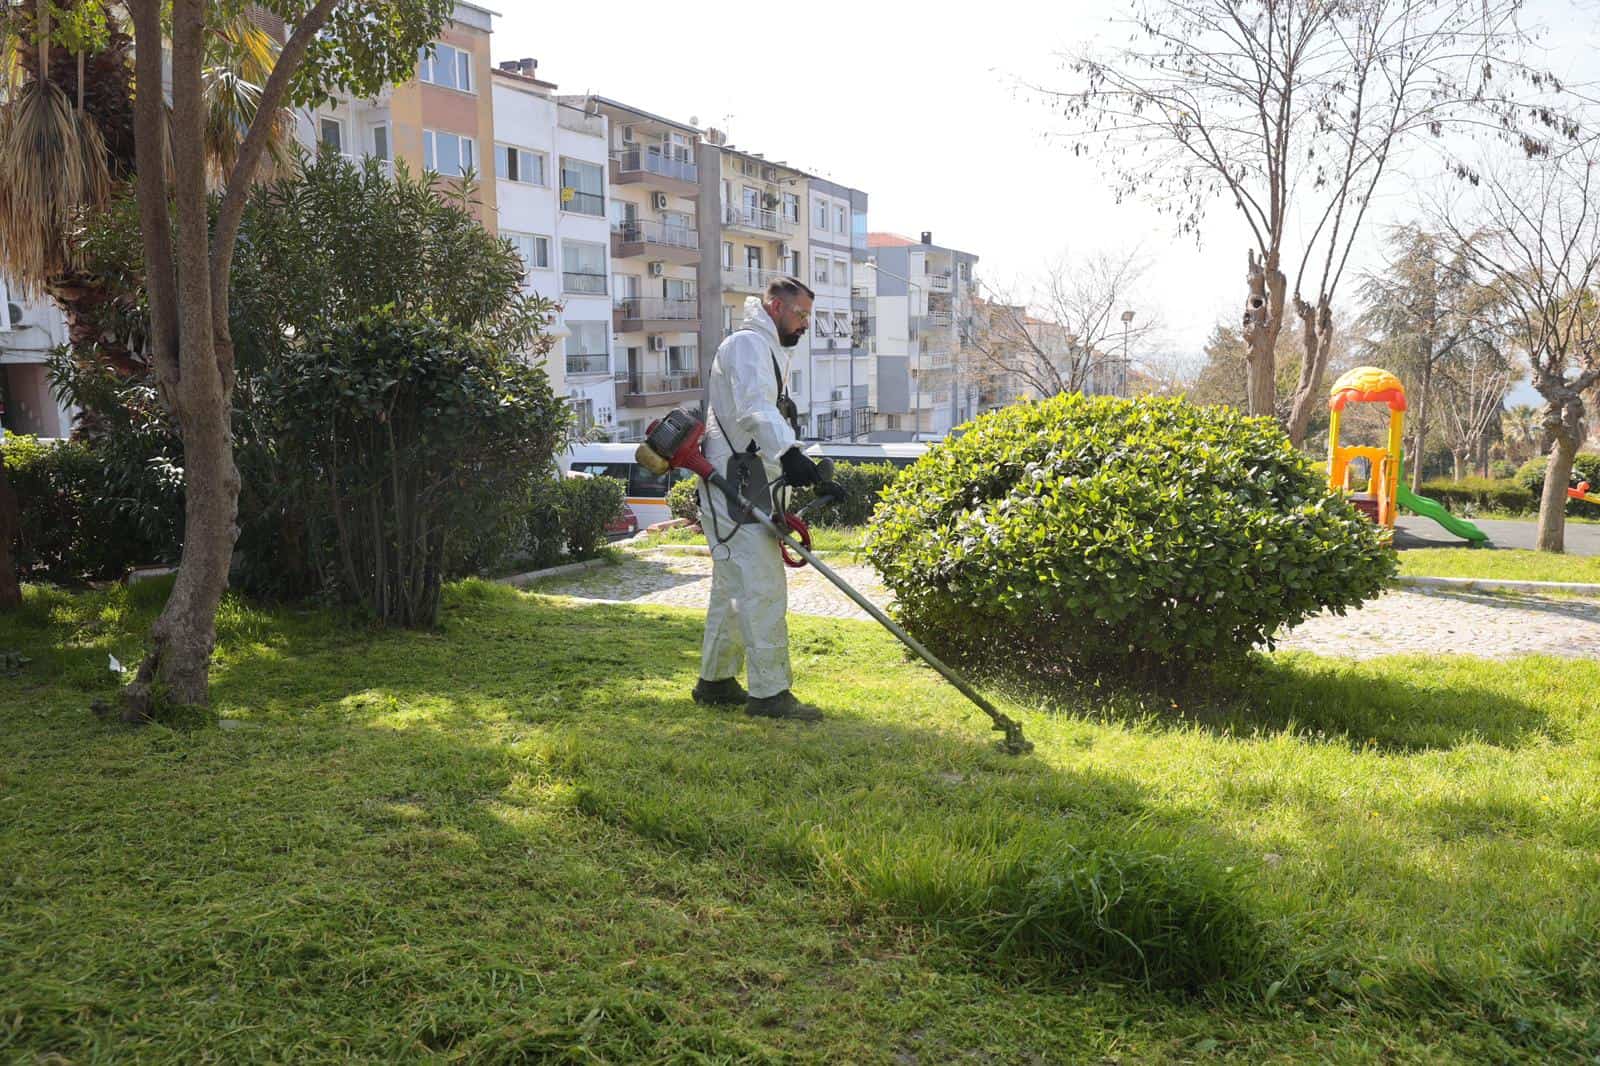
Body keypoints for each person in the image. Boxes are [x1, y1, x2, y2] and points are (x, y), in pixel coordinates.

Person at [691, 277, 826, 721]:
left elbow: (765, 418)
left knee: (732, 588)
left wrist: (804, 465)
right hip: (734, 482)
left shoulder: (764, 349)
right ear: (774, 307)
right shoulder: (748, 345)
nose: (804, 324)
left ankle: (715, 682)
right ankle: (769, 695)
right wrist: (788, 454)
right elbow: (755, 410)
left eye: (808, 316)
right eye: (799, 314)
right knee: (761, 586)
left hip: (741, 479)